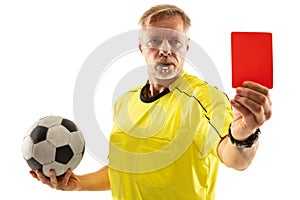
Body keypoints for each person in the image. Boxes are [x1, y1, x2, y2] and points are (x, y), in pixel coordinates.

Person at [30, 4, 272, 200]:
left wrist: (245, 133)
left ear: (186, 47)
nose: (165, 50)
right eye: (155, 41)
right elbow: (122, 172)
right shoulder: (125, 102)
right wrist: (77, 184)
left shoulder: (204, 98)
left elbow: (236, 159)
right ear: (141, 48)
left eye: (175, 41)